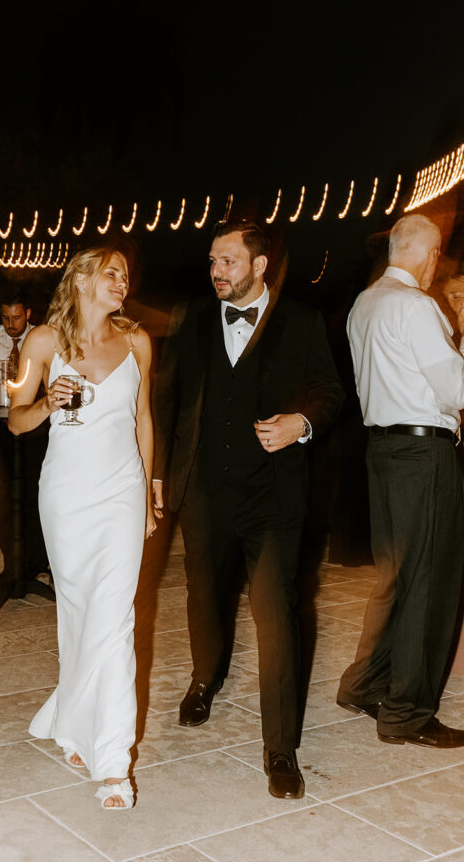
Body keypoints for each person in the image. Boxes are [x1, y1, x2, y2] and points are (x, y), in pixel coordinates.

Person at [152, 216, 343, 800]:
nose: (215, 272)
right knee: (204, 596)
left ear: (260, 265)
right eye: (212, 261)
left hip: (273, 499)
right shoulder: (192, 320)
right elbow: (168, 400)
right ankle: (205, 677)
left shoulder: (303, 322)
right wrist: (159, 471)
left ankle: (280, 748)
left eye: (227, 261)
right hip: (205, 492)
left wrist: (301, 423)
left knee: (276, 614)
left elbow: (331, 393)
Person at [9, 247, 158, 810]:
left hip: (121, 490)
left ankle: (114, 762)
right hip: (66, 495)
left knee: (116, 618)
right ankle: (73, 724)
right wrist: (48, 399)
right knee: (76, 613)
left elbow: (144, 420)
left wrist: (146, 496)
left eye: (126, 272)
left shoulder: (139, 341)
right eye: (111, 272)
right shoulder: (42, 343)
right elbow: (16, 419)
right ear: (81, 279)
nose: (123, 280)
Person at [337, 213, 464, 748]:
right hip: (422, 454)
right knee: (429, 583)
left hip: (382, 450)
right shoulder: (416, 307)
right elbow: (456, 390)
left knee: (395, 576)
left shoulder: (364, 303)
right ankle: (407, 714)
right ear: (429, 254)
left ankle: (364, 684)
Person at [0, 289, 49, 587]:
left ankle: (38, 565)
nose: (10, 323)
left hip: (34, 426)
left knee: (34, 495)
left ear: (27, 313)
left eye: (16, 317)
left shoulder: (42, 337)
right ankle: (11, 566)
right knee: (1, 498)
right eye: (5, 317)